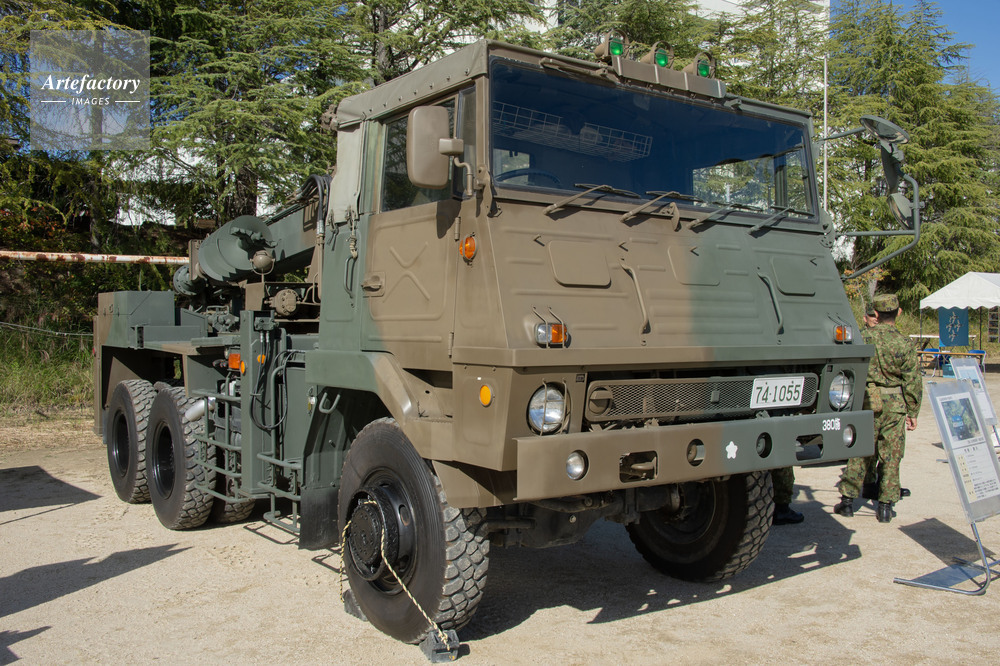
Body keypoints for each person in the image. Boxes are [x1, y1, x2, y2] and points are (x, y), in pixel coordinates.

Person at [834, 293, 921, 523]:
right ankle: (885, 507)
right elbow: (912, 381)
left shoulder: (862, 338)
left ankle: (847, 502)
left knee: (859, 450)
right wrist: (913, 411)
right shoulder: (904, 342)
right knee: (891, 455)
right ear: (898, 313)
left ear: (876, 314)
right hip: (895, 406)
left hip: (866, 402)